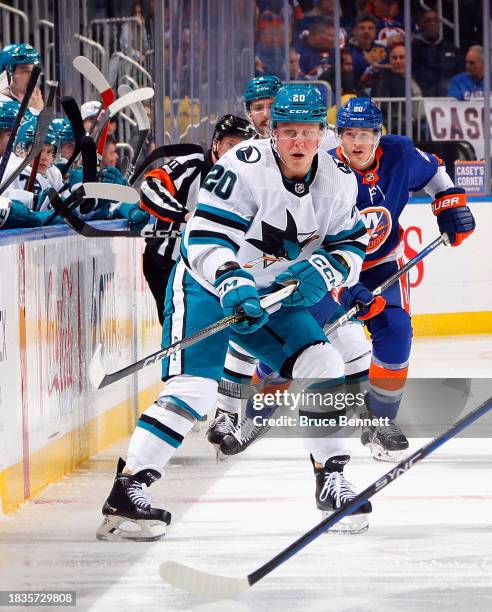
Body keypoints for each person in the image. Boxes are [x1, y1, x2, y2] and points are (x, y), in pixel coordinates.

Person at [96, 84, 372, 541]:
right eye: (288, 132)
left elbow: (351, 243)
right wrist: (232, 281)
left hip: (275, 294)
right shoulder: (241, 168)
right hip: (206, 286)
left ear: (323, 133)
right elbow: (203, 236)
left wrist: (325, 269)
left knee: (323, 361)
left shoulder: (339, 178)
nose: (298, 143)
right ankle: (129, 489)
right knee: (197, 388)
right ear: (273, 135)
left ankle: (331, 479)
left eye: (307, 132)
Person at [226, 96, 476, 465]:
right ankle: (256, 416)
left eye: (365, 134)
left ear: (379, 135)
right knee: (298, 342)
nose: (357, 143)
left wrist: (450, 203)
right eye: (348, 134)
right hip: (323, 266)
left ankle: (379, 421)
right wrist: (344, 284)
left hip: (380, 263)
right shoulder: (321, 168)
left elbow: (435, 171)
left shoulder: (400, 154)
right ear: (337, 136)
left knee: (396, 329)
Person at [140, 115, 256, 325]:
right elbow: (151, 186)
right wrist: (183, 215)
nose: (235, 154)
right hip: (165, 261)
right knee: (176, 324)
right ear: (215, 143)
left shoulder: (251, 178)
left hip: (211, 265)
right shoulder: (192, 164)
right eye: (230, 145)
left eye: (242, 148)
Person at [411, 9, 464, 97]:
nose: (432, 23)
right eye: (428, 21)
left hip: (450, 93)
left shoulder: (451, 48)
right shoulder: (413, 48)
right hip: (424, 92)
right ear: (421, 25)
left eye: (435, 21)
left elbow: (461, 72)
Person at [0, 43, 44, 114]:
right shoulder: (3, 108)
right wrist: (35, 111)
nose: (33, 77)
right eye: (25, 71)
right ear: (7, 74)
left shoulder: (29, 101)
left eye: (35, 71)